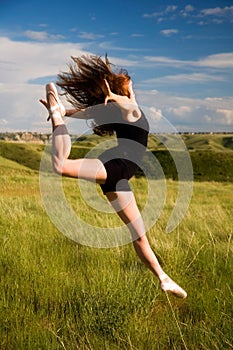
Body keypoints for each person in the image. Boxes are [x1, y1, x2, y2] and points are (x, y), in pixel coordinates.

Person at [40, 55, 187, 299]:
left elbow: (93, 110)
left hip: (120, 180)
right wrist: (63, 112)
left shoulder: (124, 109)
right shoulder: (131, 110)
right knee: (60, 165)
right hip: (115, 165)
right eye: (129, 85)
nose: (133, 87)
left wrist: (68, 109)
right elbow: (117, 107)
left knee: (139, 235)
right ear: (124, 91)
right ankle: (56, 118)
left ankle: (163, 278)